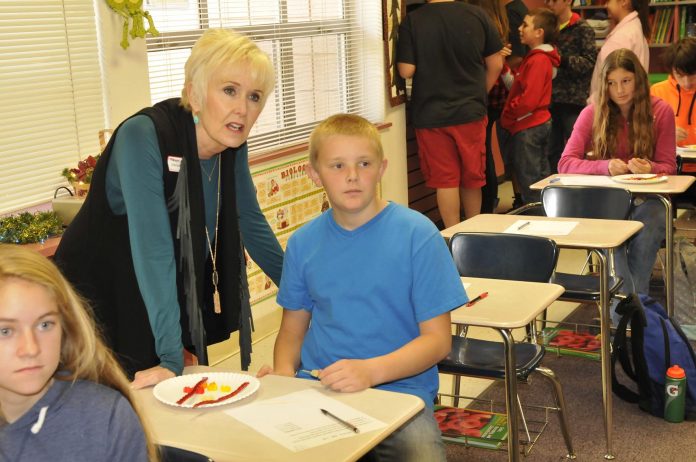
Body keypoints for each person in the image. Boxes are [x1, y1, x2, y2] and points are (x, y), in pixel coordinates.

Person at [54, 29, 284, 388]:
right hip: (94, 290)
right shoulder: (143, 136)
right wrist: (171, 357)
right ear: (194, 93)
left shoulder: (231, 144)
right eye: (229, 90)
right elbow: (153, 247)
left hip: (151, 284)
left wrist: (303, 290)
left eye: (254, 96)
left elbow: (250, 222)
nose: (242, 108)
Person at [258, 114, 468, 461]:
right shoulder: (302, 243)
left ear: (381, 168)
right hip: (318, 388)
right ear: (314, 174)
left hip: (400, 393)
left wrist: (370, 371)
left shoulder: (418, 235)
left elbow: (437, 341)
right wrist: (283, 375)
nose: (352, 176)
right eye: (337, 165)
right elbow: (292, 333)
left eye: (364, 163)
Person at [0, 245, 156, 461]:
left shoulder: (104, 418)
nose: (31, 348)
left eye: (45, 325)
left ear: (65, 328)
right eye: (5, 331)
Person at [559, 49, 676, 314]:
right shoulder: (592, 113)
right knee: (615, 241)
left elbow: (669, 166)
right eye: (612, 83)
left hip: (650, 200)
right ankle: (636, 313)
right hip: (605, 203)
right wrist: (605, 166)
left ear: (639, 80)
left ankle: (624, 314)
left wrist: (650, 168)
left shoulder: (662, 111)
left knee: (648, 231)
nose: (619, 90)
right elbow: (565, 162)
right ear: (604, 85)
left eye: (626, 81)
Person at [397, 0, 504, 227]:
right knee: (472, 178)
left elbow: (406, 70)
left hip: (431, 114)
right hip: (471, 112)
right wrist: (478, 93)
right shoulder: (478, 15)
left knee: (446, 180)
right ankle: (474, 233)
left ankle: (453, 235)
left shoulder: (413, 20)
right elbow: (496, 63)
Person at [497, 8, 560, 205]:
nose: (520, 28)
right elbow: (517, 85)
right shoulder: (534, 58)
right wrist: (503, 66)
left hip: (528, 126)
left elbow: (528, 100)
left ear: (539, 32)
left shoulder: (538, 60)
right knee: (538, 176)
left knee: (531, 181)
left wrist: (510, 113)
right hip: (532, 123)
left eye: (525, 25)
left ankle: (538, 219)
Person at [462, 0, 513, 213]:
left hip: (486, 93)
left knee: (482, 154)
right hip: (497, 94)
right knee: (485, 152)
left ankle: (487, 202)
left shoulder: (478, 23)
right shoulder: (498, 21)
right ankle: (489, 200)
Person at [545, 0, 597, 173]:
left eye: (553, 0)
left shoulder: (582, 28)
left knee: (579, 150)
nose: (549, 4)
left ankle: (580, 191)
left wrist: (562, 61)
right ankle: (555, 189)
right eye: (546, 1)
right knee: (551, 151)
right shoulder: (548, 28)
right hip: (549, 100)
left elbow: (590, 62)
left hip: (574, 101)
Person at [589, 0, 650, 103]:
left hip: (612, 107)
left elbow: (610, 80)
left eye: (609, 1)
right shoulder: (633, 29)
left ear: (624, 1)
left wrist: (593, 105)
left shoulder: (622, 37)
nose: (606, 5)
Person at [651, 37, 696, 148]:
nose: (686, 83)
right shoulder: (657, 92)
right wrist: (666, 134)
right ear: (672, 70)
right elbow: (642, 133)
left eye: (692, 76)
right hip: (670, 161)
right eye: (680, 75)